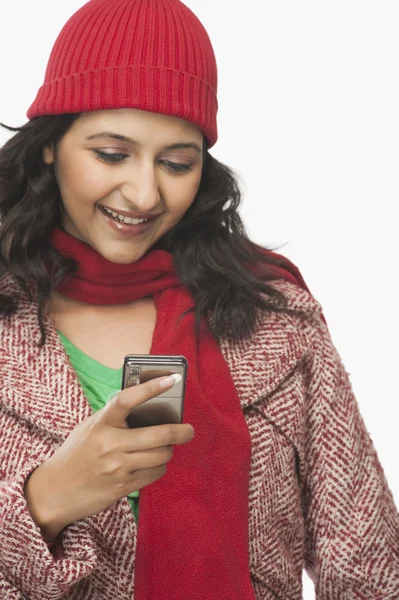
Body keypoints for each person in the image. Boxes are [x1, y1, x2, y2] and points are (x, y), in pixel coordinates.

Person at [0, 0, 398, 598]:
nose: (141, 193)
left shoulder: (276, 318)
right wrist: (47, 500)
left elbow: (368, 566)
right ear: (51, 144)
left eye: (177, 163)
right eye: (111, 154)